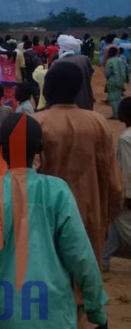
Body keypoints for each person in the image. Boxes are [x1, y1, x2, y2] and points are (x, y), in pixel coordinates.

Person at [0, 113, 109, 329]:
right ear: (38, 149)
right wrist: (96, 310)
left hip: (5, 315)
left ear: (1, 149)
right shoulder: (58, 191)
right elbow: (81, 255)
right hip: (54, 315)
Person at [35, 61, 124, 271]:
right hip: (88, 217)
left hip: (45, 222)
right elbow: (114, 184)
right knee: (83, 286)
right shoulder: (98, 123)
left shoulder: (35, 123)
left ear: (47, 88)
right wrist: (103, 219)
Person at [103, 98, 131, 271]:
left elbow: (128, 168)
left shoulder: (125, 139)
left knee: (119, 223)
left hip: (127, 193)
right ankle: (104, 257)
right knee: (114, 225)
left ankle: (104, 257)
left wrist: (128, 195)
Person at [105, 46, 128, 120]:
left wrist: (108, 78)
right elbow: (127, 70)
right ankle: (121, 113)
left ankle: (116, 115)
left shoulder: (110, 61)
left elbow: (107, 73)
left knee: (113, 99)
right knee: (118, 97)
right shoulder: (122, 60)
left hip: (113, 81)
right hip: (121, 81)